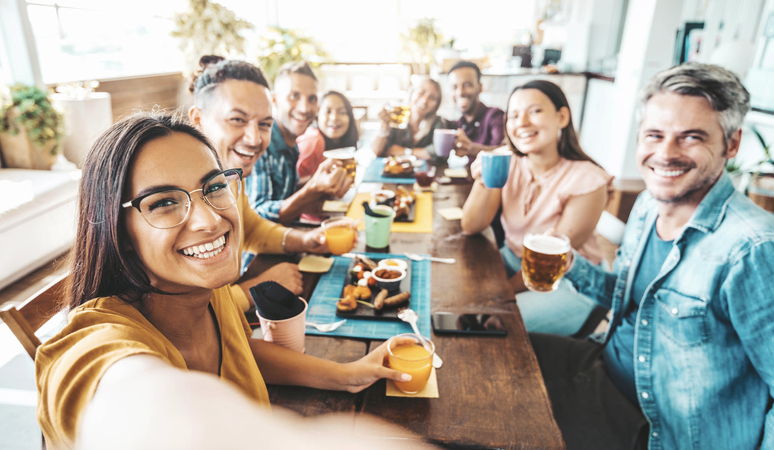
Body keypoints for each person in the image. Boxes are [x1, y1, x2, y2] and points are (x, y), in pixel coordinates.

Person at [35, 113, 416, 450]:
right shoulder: (93, 341)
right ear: (118, 234)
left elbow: (240, 351)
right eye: (164, 202)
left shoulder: (208, 293)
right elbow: (135, 405)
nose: (210, 221)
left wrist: (349, 375)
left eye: (215, 187)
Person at [529, 63, 774, 449]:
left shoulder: (752, 249)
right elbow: (635, 301)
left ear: (731, 143)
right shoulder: (647, 204)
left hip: (658, 429)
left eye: (691, 137)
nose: (665, 153)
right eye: (654, 135)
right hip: (604, 368)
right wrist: (572, 266)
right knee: (489, 352)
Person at [461, 80, 612, 336]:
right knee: (461, 293)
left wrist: (495, 299)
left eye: (535, 111)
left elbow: (548, 261)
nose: (522, 123)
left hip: (566, 279)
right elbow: (472, 224)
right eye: (514, 115)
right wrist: (481, 181)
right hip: (514, 259)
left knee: (498, 323)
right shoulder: (508, 162)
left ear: (562, 117)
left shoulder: (588, 180)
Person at [187, 56, 328, 310]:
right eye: (237, 120)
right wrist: (255, 289)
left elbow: (249, 228)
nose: (254, 139)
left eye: (264, 124)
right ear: (198, 120)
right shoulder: (182, 198)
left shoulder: (228, 176)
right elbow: (185, 313)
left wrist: (303, 240)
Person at [246, 61, 352, 225]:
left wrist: (322, 185)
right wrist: (312, 189)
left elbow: (285, 193)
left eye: (312, 99)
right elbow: (257, 218)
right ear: (274, 100)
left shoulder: (291, 142)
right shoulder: (260, 143)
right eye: (294, 96)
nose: (304, 108)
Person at [372, 78, 450, 160]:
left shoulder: (438, 123)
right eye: (421, 92)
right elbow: (377, 151)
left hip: (424, 172)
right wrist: (384, 126)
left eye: (432, 97)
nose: (424, 101)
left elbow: (440, 153)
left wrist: (405, 151)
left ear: (436, 105)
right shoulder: (396, 117)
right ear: (412, 92)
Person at [296, 90, 359, 185]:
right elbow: (293, 184)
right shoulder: (314, 140)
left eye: (342, 112)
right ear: (317, 116)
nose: (334, 117)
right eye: (327, 111)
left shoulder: (340, 145)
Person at [447, 60, 505, 157]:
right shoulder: (458, 124)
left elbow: (505, 151)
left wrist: (471, 149)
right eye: (454, 87)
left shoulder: (495, 116)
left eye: (467, 85)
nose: (460, 92)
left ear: (480, 87)